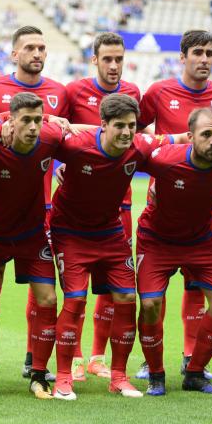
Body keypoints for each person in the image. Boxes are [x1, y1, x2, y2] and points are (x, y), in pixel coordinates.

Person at [49, 94, 189, 400]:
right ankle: (62, 377)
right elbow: (34, 131)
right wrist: (49, 119)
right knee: (74, 299)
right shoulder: (74, 144)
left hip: (110, 232)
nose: (126, 133)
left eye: (131, 126)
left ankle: (118, 376)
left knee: (126, 297)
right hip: (70, 232)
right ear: (103, 125)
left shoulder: (139, 145)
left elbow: (180, 138)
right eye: (119, 126)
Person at [0, 92, 88, 399]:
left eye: (38, 119)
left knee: (48, 299)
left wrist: (53, 123)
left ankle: (38, 375)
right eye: (27, 120)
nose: (34, 127)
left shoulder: (49, 136)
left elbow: (85, 136)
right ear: (11, 122)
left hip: (32, 233)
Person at [136, 29, 212, 380]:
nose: (204, 59)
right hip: (165, 200)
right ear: (183, 57)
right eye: (198, 53)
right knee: (153, 293)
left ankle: (192, 358)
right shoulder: (159, 92)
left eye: (209, 53)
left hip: (206, 206)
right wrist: (170, 143)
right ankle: (150, 361)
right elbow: (137, 134)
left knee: (197, 288)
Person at [0, 25, 69, 380]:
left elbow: (69, 132)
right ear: (14, 54)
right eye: (29, 47)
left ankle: (36, 359)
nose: (37, 53)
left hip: (40, 207)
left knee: (42, 288)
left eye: (42, 48)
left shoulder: (60, 91)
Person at [64, 32, 141, 380]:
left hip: (119, 207)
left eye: (119, 59)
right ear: (94, 59)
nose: (113, 65)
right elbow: (60, 134)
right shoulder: (73, 92)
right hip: (77, 207)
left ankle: (98, 356)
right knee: (74, 288)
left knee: (112, 286)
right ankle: (76, 357)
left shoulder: (133, 94)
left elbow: (139, 142)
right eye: (107, 59)